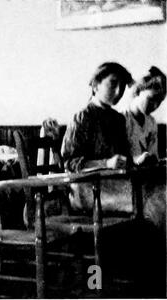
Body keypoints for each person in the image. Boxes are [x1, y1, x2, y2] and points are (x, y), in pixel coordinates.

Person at [61, 61, 134, 212]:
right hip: (87, 190)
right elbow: (70, 163)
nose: (119, 91)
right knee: (147, 200)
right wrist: (106, 163)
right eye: (113, 84)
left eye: (122, 87)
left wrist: (135, 161)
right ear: (95, 86)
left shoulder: (118, 119)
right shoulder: (81, 118)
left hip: (115, 185)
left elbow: (123, 158)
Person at [122, 66, 166, 166]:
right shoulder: (121, 119)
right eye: (151, 99)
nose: (155, 106)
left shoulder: (151, 122)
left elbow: (154, 155)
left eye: (159, 101)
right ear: (138, 91)